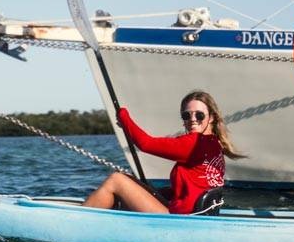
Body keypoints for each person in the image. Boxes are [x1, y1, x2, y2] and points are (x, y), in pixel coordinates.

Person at [83, 90, 243, 214]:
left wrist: (124, 117)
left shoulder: (193, 143)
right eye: (187, 115)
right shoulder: (214, 143)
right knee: (127, 180)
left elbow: (145, 144)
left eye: (199, 115)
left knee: (116, 180)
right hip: (193, 214)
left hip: (179, 219)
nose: (192, 119)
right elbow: (195, 186)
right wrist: (152, 193)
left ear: (212, 118)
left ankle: (79, 220)